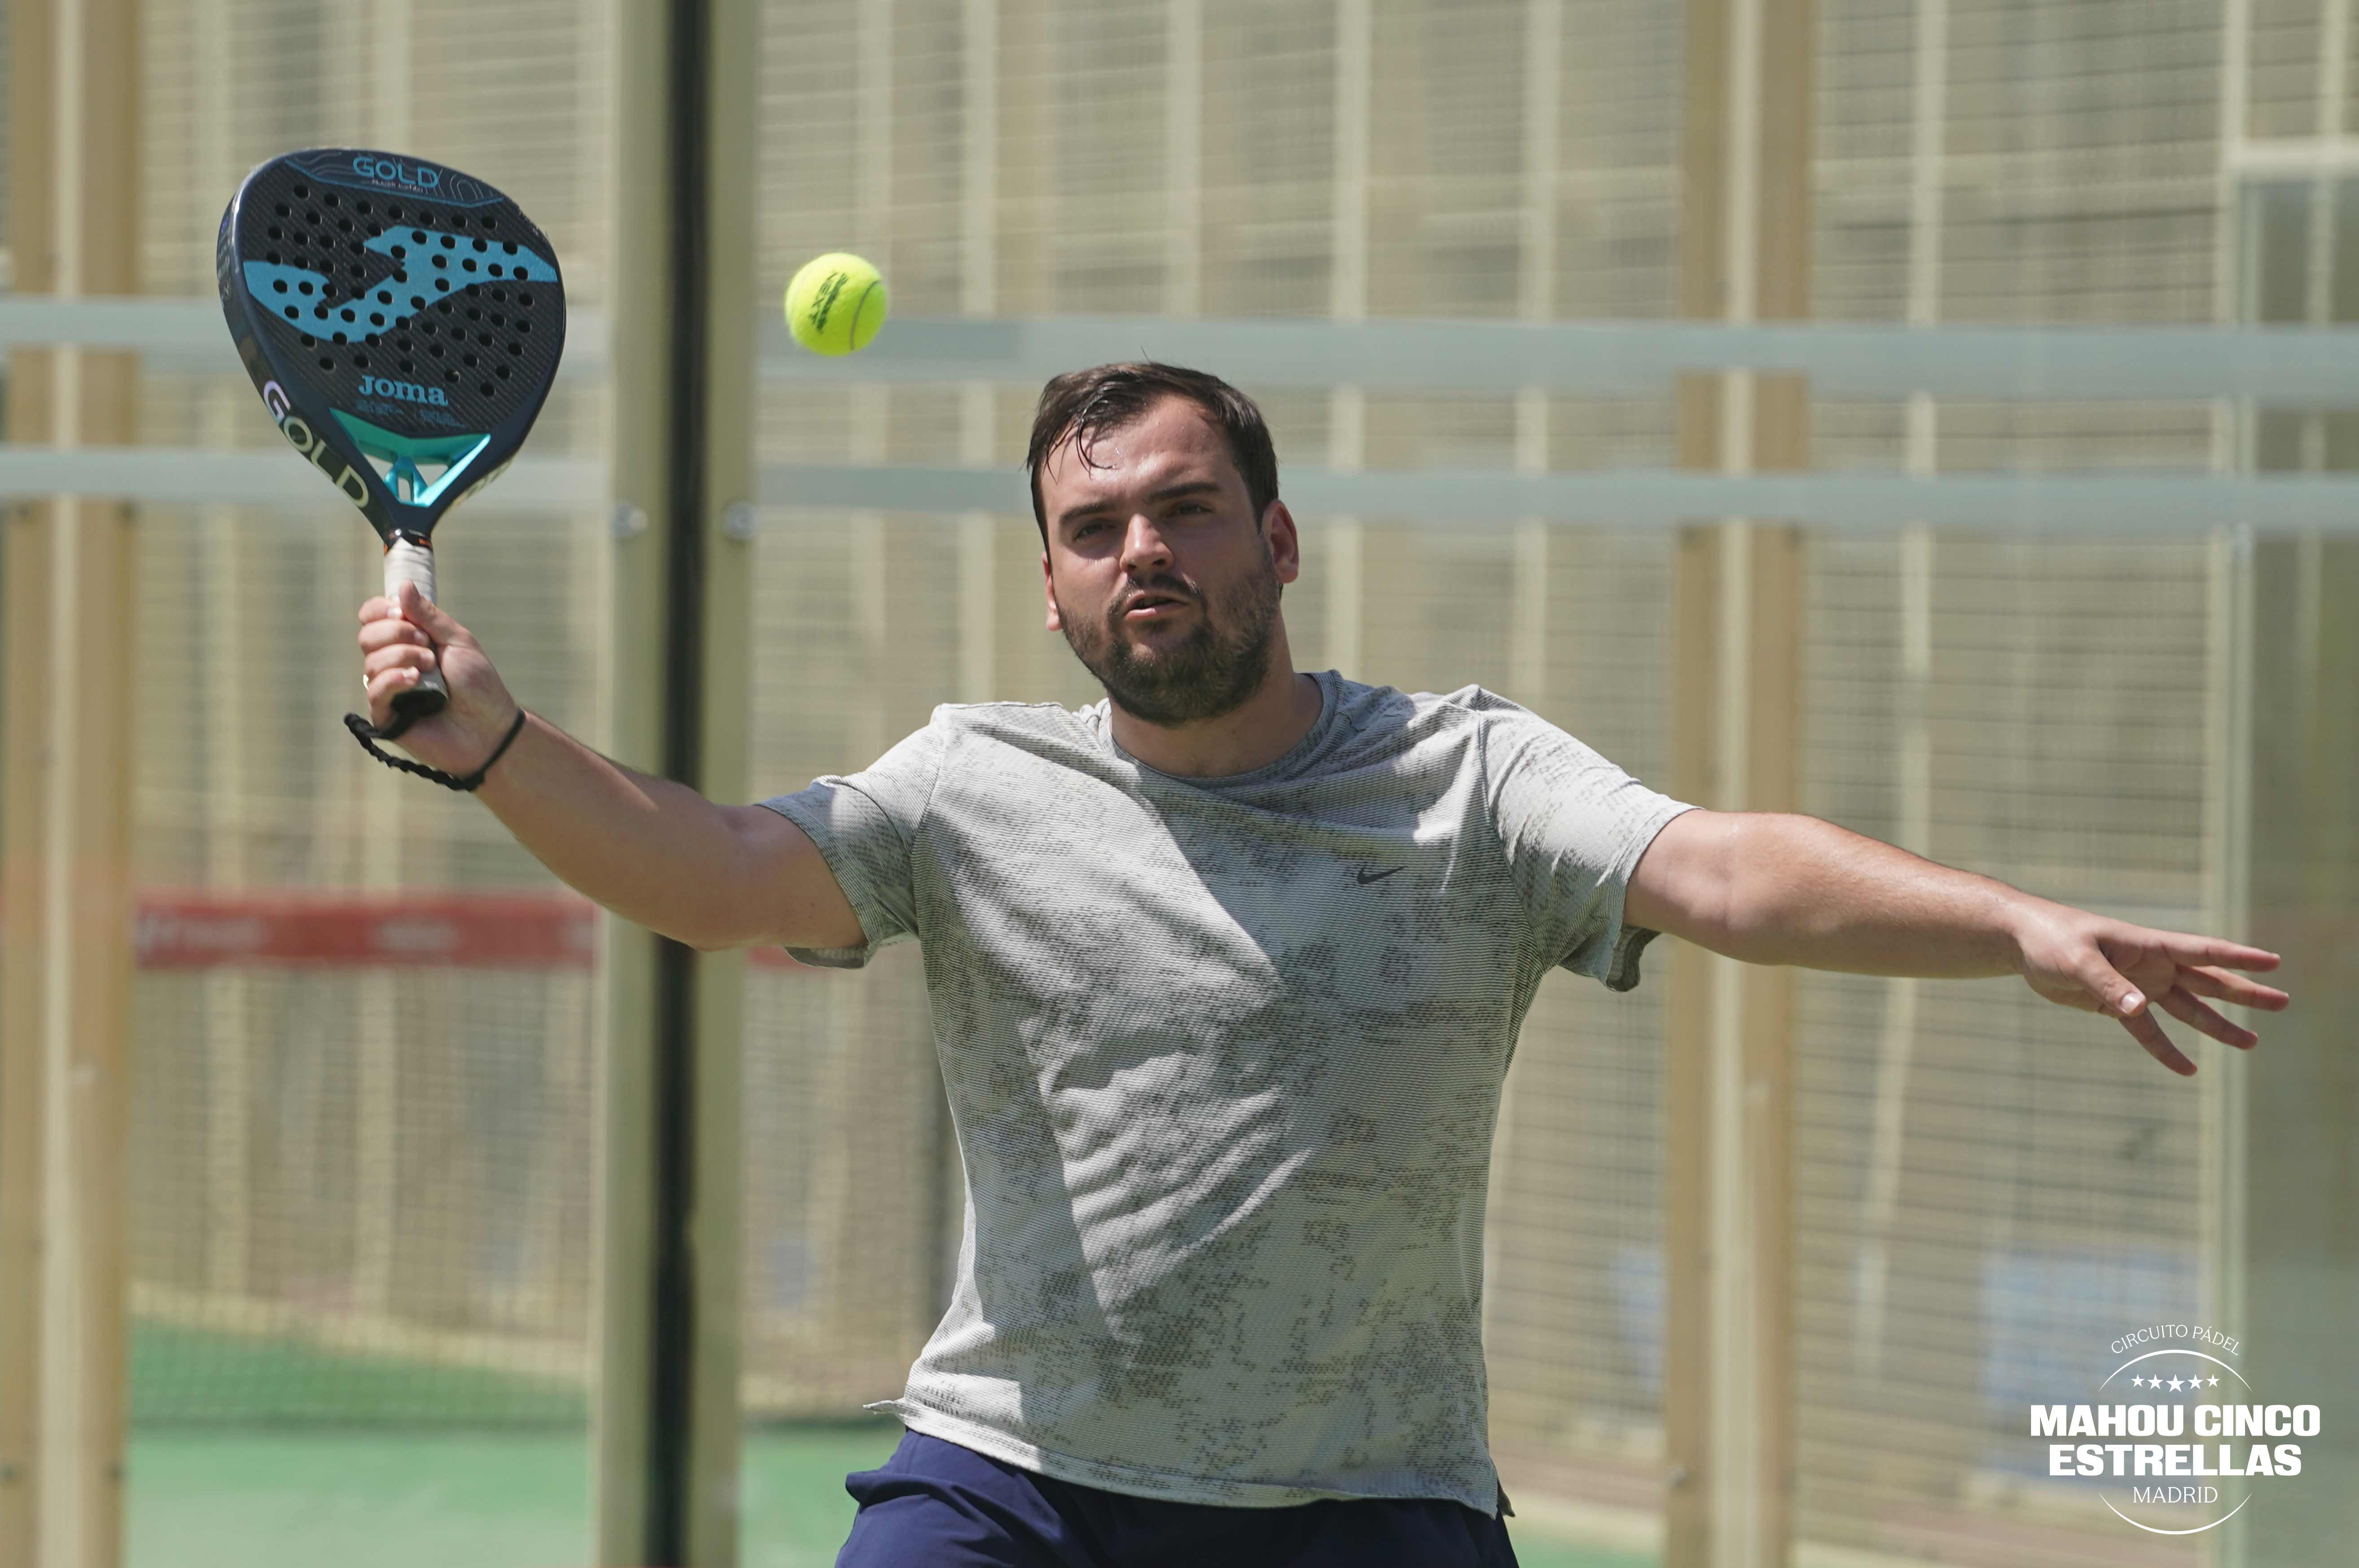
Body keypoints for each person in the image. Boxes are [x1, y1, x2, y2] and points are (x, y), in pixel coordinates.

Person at [355, 362, 2290, 1568]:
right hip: (1012, 1485)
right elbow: (713, 875)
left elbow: (1719, 865)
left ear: (1275, 538)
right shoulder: (969, 783)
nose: (1143, 549)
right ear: (1053, 585)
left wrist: (2010, 921)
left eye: (1184, 508)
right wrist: (494, 742)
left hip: (1367, 1503)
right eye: (1095, 527)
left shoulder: (1471, 775)